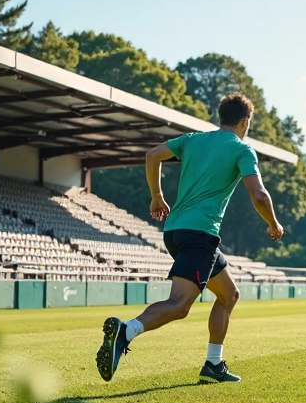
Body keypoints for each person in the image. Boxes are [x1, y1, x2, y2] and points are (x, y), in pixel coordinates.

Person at [95, 93, 284, 384]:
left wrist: (157, 196)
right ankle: (126, 331)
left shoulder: (193, 140)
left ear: (221, 117)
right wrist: (273, 223)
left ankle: (213, 364)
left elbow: (152, 155)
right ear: (245, 122)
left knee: (229, 294)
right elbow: (259, 195)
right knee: (180, 305)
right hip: (200, 234)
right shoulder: (242, 150)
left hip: (175, 231)